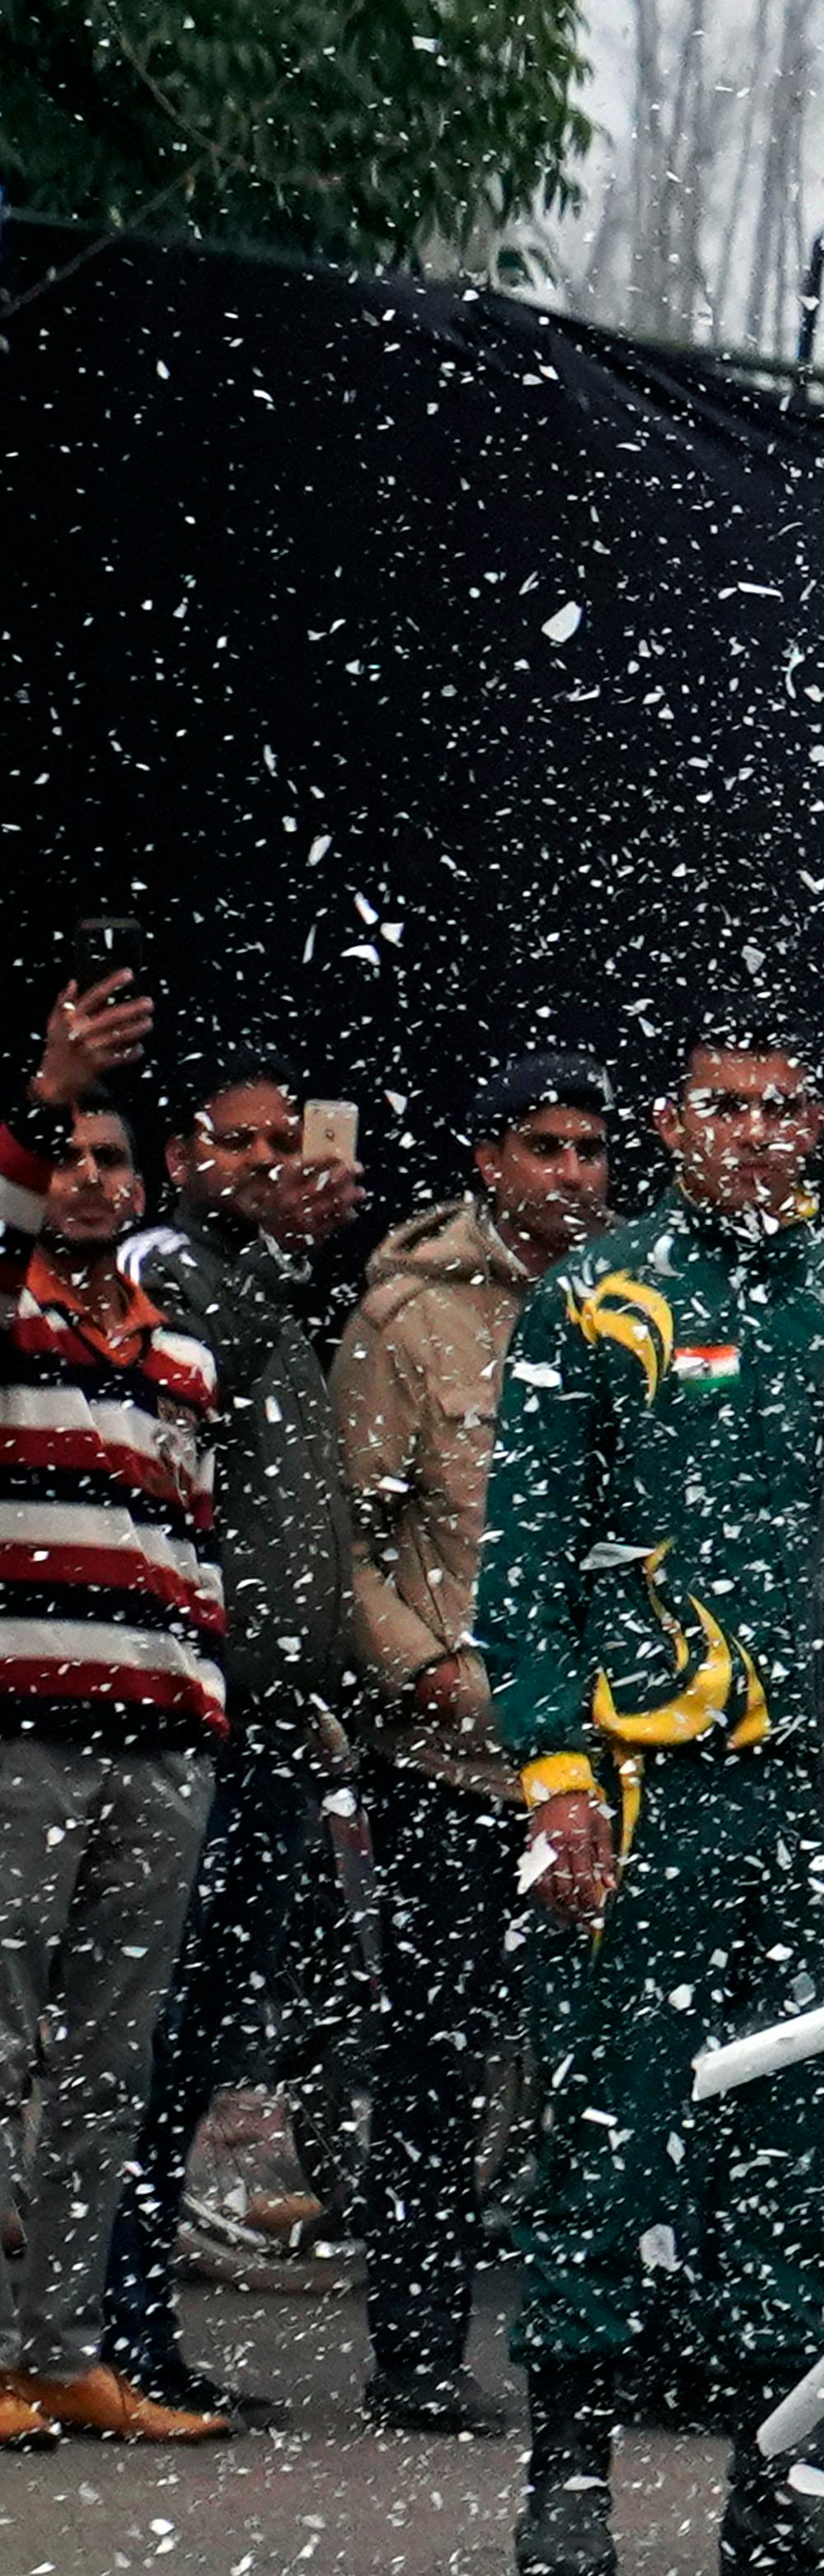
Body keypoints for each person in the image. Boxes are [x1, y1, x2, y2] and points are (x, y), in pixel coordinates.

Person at [482, 1020, 824, 2576]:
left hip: (819, 1795)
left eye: (781, 1109)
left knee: (808, 2147)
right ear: (670, 1127)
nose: (751, 1134)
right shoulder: (595, 1302)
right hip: (645, 1788)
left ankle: (782, 2486)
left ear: (819, 1126)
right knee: (613, 2124)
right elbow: (520, 1562)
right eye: (721, 1109)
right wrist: (553, 1774)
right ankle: (569, 2473)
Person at [329, 1051, 614, 2429]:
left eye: (588, 1148)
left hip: (602, 1758)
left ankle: (597, 2351)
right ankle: (420, 2354)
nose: (569, 1173)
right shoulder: (410, 1310)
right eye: (541, 1147)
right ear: (489, 1161)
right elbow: (350, 1540)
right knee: (440, 2063)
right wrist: (428, 1669)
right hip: (454, 1757)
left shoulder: (643, 1298)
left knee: (600, 2065)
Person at [125, 1057, 378, 2427]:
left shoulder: (265, 1289)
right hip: (188, 1706)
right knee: (151, 2031)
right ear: (181, 1156)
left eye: (291, 1142)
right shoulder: (170, 1269)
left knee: (210, 2021)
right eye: (243, 1145)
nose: (275, 1163)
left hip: (264, 1715)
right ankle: (111, 2322)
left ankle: (133, 2321)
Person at [0, 965, 233, 2443]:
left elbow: (194, 1554)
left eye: (110, 1161)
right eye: (65, 1156)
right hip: (23, 1725)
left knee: (106, 2063)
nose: (87, 1179)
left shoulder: (187, 1354)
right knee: (1, 2046)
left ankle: (59, 2350)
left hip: (160, 1739)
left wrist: (204, 1695)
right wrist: (49, 1077)